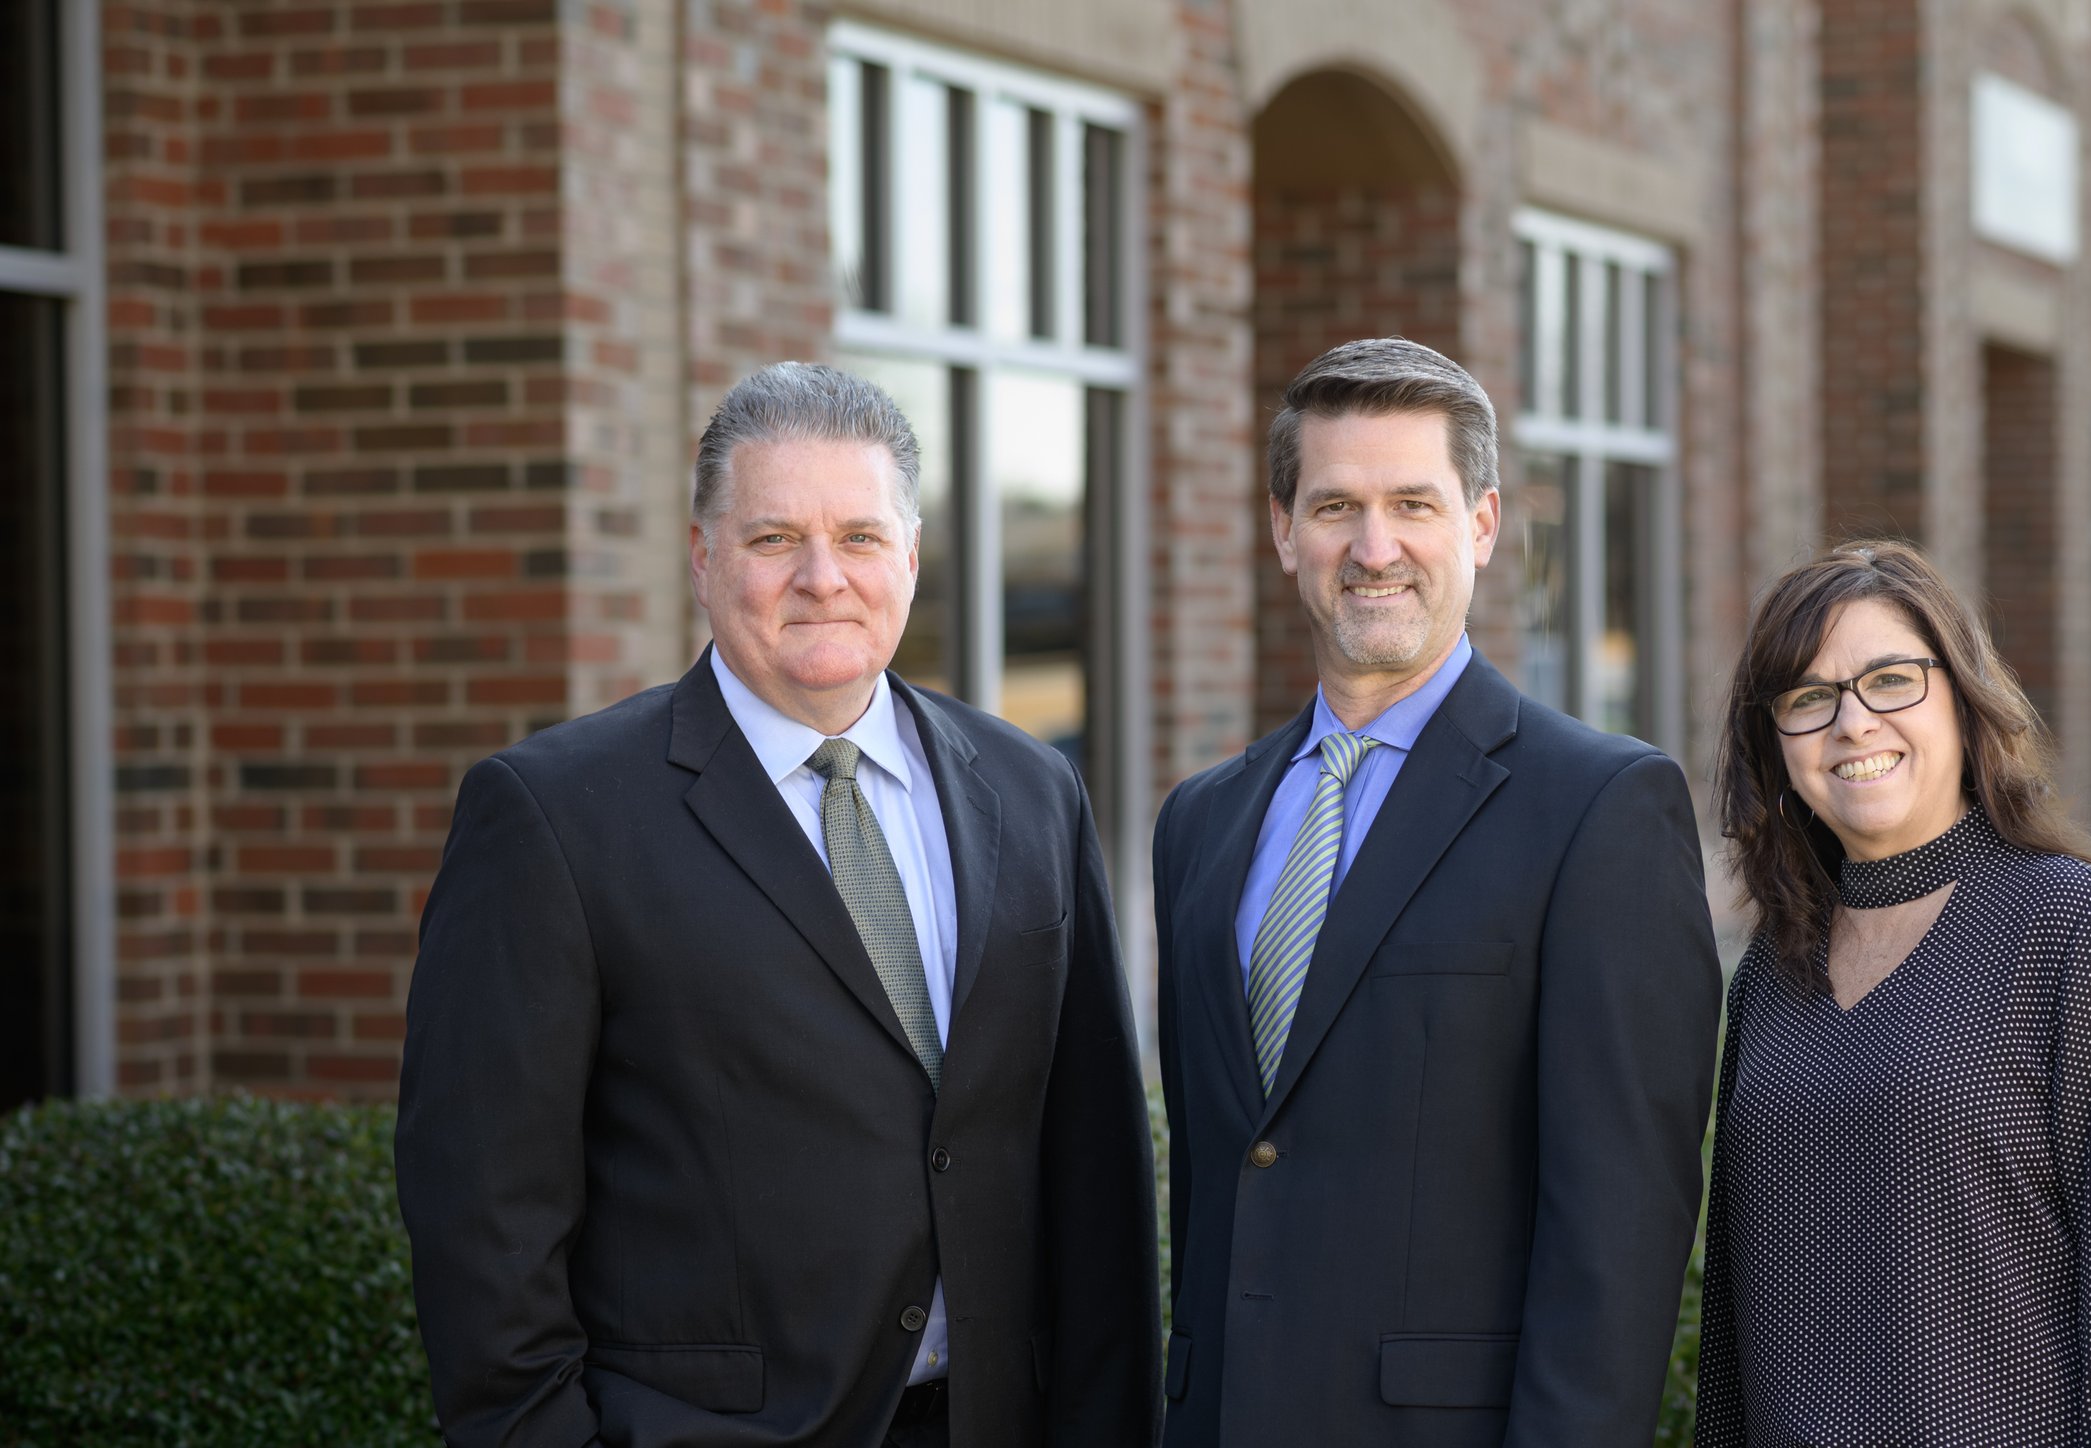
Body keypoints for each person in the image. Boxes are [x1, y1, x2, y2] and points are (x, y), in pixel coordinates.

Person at [395, 363, 1160, 1448]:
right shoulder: (555, 817)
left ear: (908, 552)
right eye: (771, 539)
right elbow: (484, 1219)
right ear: (704, 557)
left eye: (857, 535)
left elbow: (1094, 1171)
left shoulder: (1029, 789)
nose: (821, 576)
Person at [1153, 337, 1723, 1448]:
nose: (1374, 548)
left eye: (1413, 502)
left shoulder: (1599, 809)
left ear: (1482, 523)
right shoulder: (1201, 823)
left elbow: (1620, 1227)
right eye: (1334, 507)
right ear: (1282, 529)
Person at [1695, 540, 2091, 1445]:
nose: (1852, 723)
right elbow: (1733, 1325)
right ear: (1775, 745)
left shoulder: (2070, 930)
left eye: (1891, 680)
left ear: (1965, 701)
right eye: (1809, 699)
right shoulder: (1774, 969)